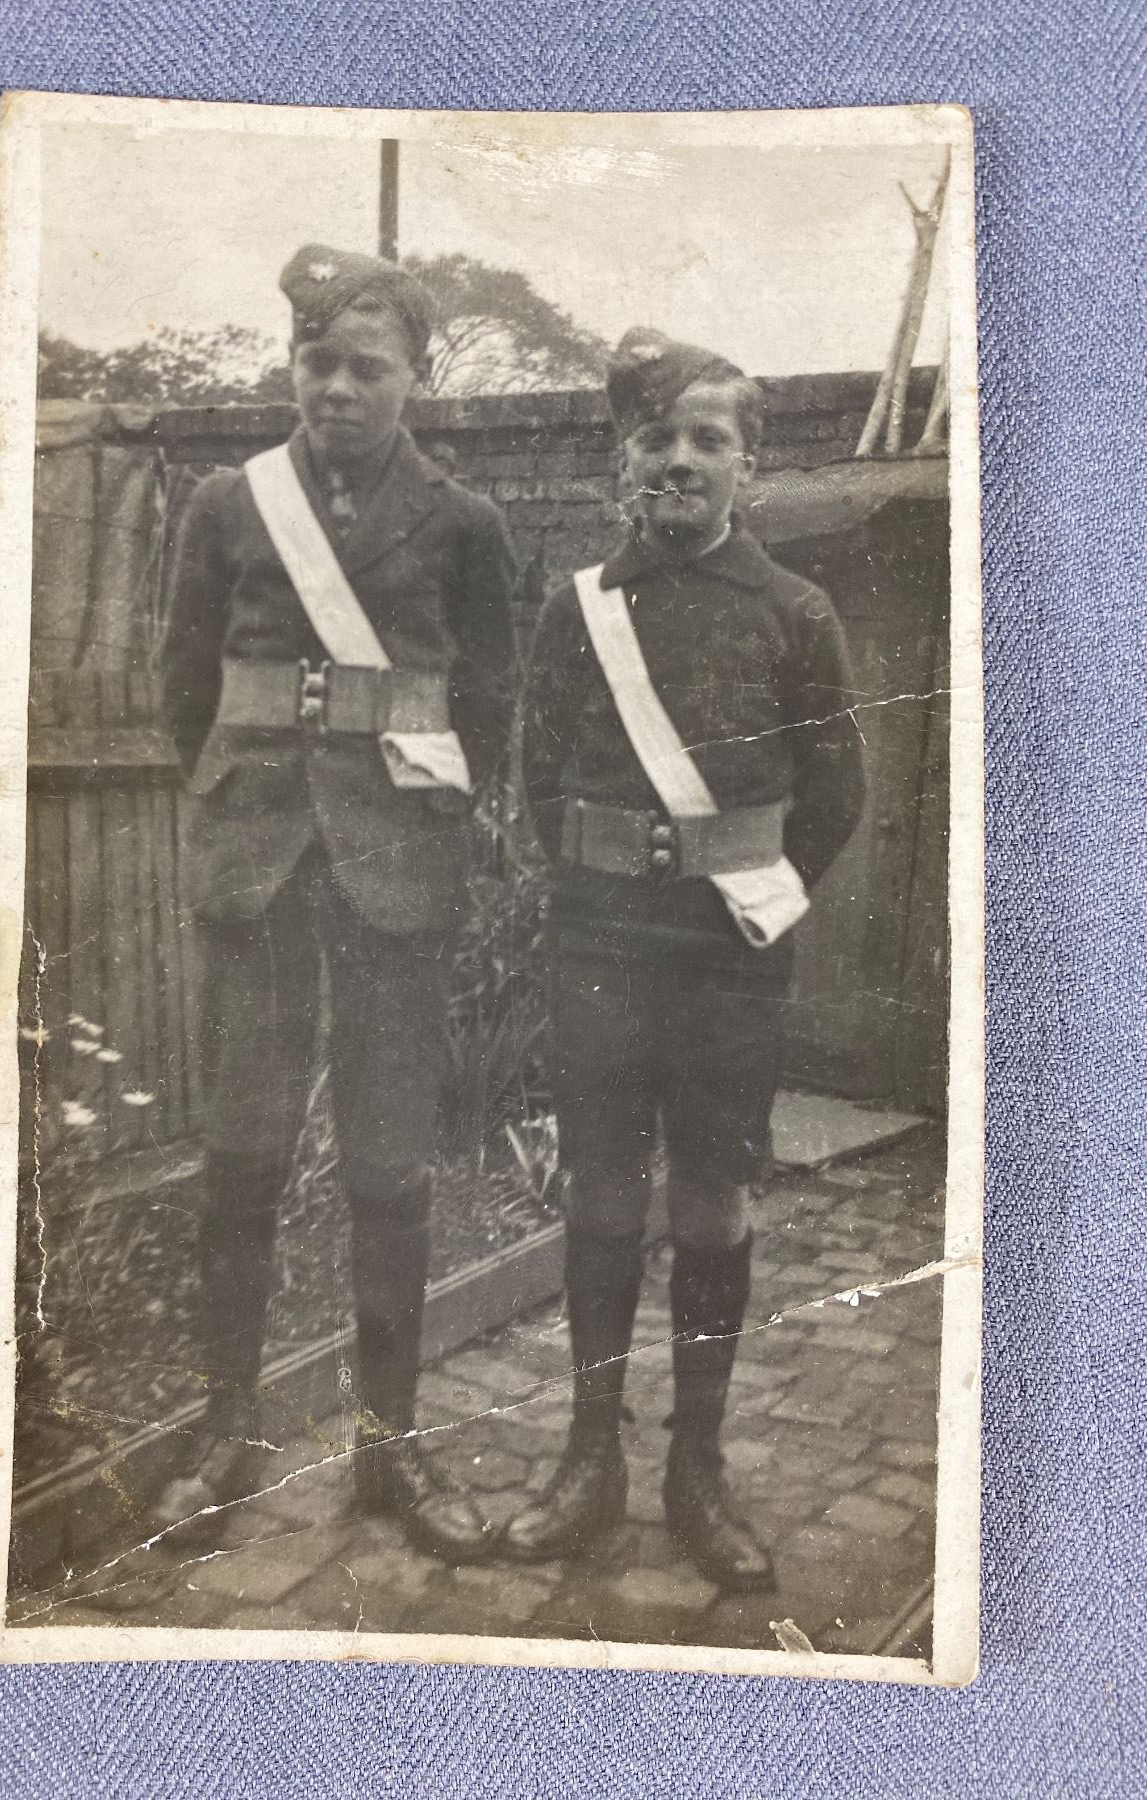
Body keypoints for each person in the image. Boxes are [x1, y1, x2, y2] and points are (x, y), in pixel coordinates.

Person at [159, 245, 518, 1564]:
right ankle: (224, 1434)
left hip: (394, 874)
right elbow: (183, 687)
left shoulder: (465, 525)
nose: (338, 389)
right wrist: (239, 805)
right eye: (318, 363)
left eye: (368, 367)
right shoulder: (226, 504)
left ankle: (389, 1448)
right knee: (239, 1156)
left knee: (388, 1166)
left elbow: (487, 707)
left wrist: (422, 825)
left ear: (417, 376)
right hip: (256, 866)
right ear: (292, 366)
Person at [511, 328, 866, 1588]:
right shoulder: (579, 609)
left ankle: (696, 1473)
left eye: (707, 439)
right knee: (602, 1191)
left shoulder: (795, 612)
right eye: (655, 437)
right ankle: (588, 1460)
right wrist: (598, 890)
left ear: (747, 466)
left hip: (727, 960)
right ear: (625, 457)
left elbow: (834, 796)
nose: (679, 460)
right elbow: (539, 778)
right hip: (603, 942)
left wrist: (756, 905)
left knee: (714, 1194)